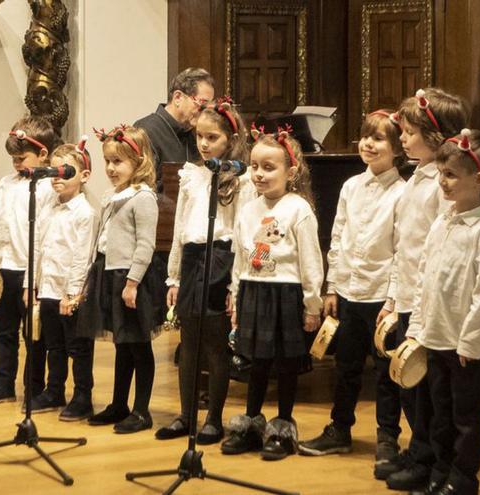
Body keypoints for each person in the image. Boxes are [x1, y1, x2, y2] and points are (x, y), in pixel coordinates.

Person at [299, 110, 406, 472]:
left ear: (396, 149)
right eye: (365, 137)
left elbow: (401, 251)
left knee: (385, 372)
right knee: (345, 366)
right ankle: (340, 429)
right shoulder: (350, 186)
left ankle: (388, 437)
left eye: (378, 139)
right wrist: (332, 287)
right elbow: (339, 237)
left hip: (380, 296)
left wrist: (392, 300)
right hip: (349, 290)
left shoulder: (402, 193)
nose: (368, 144)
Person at [405, 129, 480, 495]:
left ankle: (463, 478)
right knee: (439, 412)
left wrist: (470, 342)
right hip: (435, 335)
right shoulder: (442, 222)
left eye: (451, 175)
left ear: (479, 180)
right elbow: (425, 277)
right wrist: (418, 324)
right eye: (441, 173)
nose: (443, 183)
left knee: (466, 417)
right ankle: (440, 469)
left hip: (465, 347)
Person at [382, 88, 469, 490]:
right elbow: (403, 246)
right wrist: (393, 295)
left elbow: (438, 251)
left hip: (428, 302)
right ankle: (418, 450)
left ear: (434, 136)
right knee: (409, 386)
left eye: (410, 131)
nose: (402, 137)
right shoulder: (415, 177)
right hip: (408, 298)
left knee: (429, 392)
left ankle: (430, 458)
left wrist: (417, 303)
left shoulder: (442, 185)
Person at [155, 98, 254, 445]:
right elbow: (181, 227)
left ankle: (213, 418)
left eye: (212, 137)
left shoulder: (240, 179)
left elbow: (242, 233)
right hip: (194, 257)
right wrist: (175, 276)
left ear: (230, 138)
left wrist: (235, 285)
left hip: (223, 260)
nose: (204, 143)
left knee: (214, 344)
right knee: (189, 343)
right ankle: (186, 415)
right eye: (199, 136)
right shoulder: (191, 175)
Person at [221, 127, 323, 461]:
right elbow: (240, 254)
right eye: (255, 166)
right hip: (254, 290)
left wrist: (312, 304)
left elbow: (310, 260)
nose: (259, 174)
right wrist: (236, 294)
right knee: (256, 361)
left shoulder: (298, 209)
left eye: (269, 167)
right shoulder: (249, 208)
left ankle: (282, 426)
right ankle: (251, 422)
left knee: (285, 362)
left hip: (286, 293)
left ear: (290, 172)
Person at [77, 125, 166, 434]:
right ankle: (118, 404)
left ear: (138, 162)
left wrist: (132, 282)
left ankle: (142, 410)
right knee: (121, 344)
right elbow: (102, 237)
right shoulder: (113, 196)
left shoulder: (142, 198)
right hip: (109, 273)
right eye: (108, 161)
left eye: (119, 162)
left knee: (138, 344)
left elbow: (145, 244)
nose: (111, 169)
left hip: (131, 279)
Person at [0, 116, 62, 406]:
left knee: (34, 334)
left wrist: (33, 279)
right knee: (5, 330)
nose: (16, 164)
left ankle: (34, 385)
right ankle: (3, 382)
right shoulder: (5, 184)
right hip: (3, 268)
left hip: (30, 272)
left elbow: (45, 236)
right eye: (13, 159)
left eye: (21, 158)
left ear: (44, 154)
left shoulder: (51, 188)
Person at [25, 138, 97, 421]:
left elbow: (81, 257)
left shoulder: (84, 213)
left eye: (65, 172)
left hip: (70, 293)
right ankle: (55, 390)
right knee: (53, 344)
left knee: (77, 347)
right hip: (48, 289)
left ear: (84, 176)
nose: (57, 177)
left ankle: (83, 396)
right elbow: (40, 248)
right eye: (53, 171)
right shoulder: (48, 207)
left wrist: (72, 293)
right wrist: (34, 285)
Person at [134, 67, 216, 191]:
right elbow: (139, 188)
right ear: (178, 98)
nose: (205, 112)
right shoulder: (145, 130)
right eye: (202, 104)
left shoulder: (194, 133)